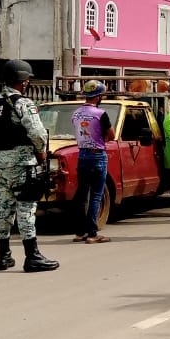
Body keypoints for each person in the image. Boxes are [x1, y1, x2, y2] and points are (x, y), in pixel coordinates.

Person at [0, 59, 59, 273]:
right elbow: (38, 133)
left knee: (3, 209)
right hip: (22, 163)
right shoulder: (23, 103)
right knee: (26, 208)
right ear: (23, 81)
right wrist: (41, 153)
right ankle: (32, 256)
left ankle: (3, 257)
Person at [71, 80, 115, 244]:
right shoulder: (100, 114)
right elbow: (112, 134)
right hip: (97, 155)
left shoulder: (76, 113)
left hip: (82, 154)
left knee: (82, 194)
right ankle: (92, 233)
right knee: (96, 195)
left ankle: (80, 232)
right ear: (98, 97)